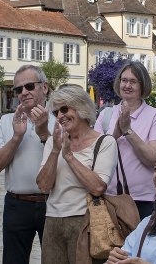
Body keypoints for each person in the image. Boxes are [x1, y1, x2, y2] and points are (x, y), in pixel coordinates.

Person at [37, 84, 118, 264]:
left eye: (64, 109)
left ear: (81, 106)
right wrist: (55, 151)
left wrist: (69, 156)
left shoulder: (105, 142)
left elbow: (98, 187)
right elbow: (43, 186)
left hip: (86, 222)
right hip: (52, 221)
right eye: (56, 112)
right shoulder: (53, 143)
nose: (60, 116)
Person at [0, 64, 54, 263]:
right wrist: (17, 137)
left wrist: (44, 133)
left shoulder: (60, 118)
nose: (23, 93)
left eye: (29, 86)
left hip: (53, 204)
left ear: (44, 87)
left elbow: (66, 163)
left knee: (55, 259)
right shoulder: (7, 120)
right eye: (18, 89)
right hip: (17, 203)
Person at [94, 61, 156, 219]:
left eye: (133, 81)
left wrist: (127, 130)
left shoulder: (155, 115)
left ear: (143, 86)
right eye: (124, 80)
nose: (127, 85)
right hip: (109, 197)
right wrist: (114, 135)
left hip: (143, 200)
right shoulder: (106, 114)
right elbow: (96, 157)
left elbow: (153, 159)